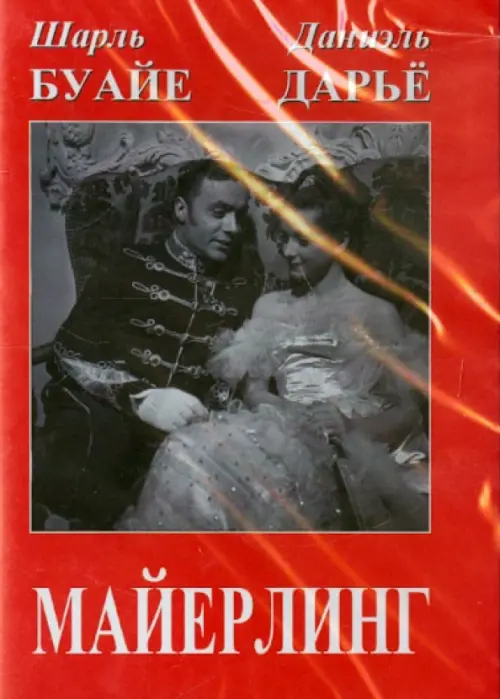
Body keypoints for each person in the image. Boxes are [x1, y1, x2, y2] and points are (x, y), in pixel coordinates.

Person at [119, 166, 429, 533]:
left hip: (347, 447)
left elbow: (408, 413)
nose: (288, 251)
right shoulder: (269, 306)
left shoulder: (376, 313)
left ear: (339, 242)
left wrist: (347, 426)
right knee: (184, 449)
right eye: (284, 238)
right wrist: (287, 415)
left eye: (303, 241)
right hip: (279, 431)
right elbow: (253, 390)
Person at [32, 159, 265, 531]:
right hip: (102, 409)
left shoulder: (244, 284)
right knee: (91, 446)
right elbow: (69, 350)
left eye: (239, 215)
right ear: (181, 210)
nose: (233, 229)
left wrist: (210, 409)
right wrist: (140, 399)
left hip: (183, 429)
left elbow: (234, 368)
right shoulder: (128, 264)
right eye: (219, 213)